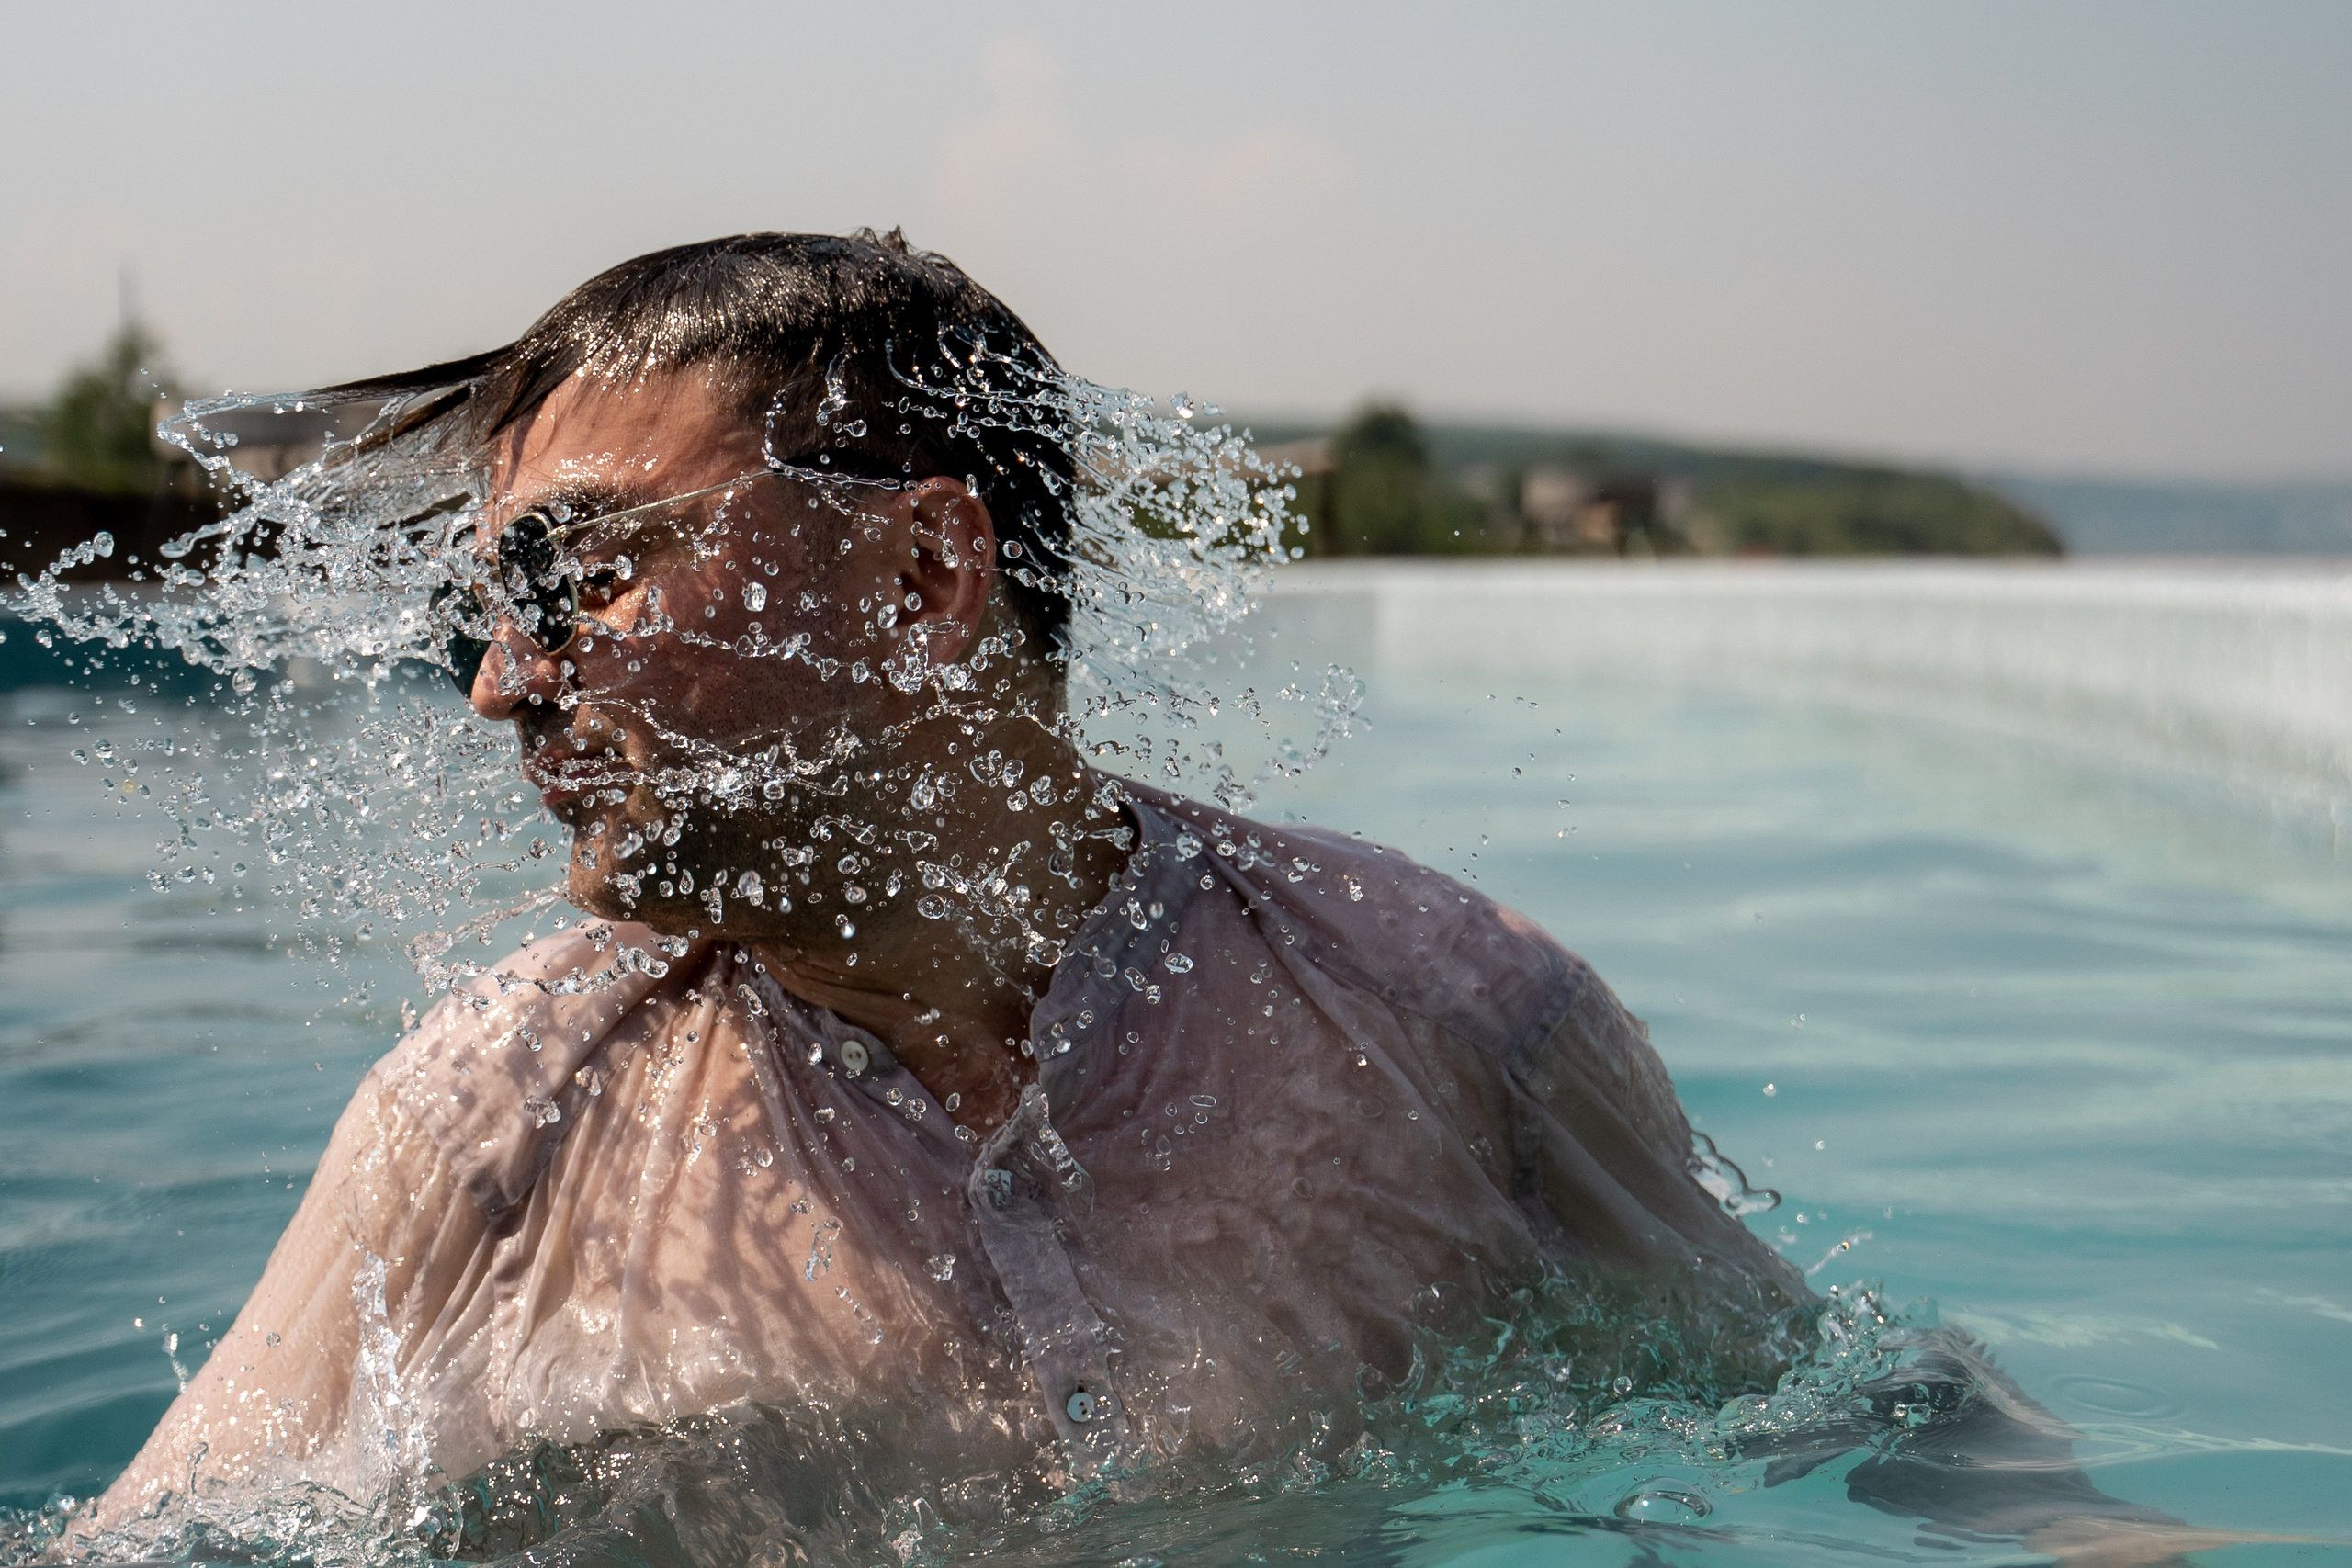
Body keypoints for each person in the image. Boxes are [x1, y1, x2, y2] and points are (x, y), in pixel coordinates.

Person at [94, 232, 2216, 1564]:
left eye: (583, 575)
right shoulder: (489, 1127)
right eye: (495, 603)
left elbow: (1854, 1396)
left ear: (926, 577)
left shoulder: (1446, 1023)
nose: (499, 680)